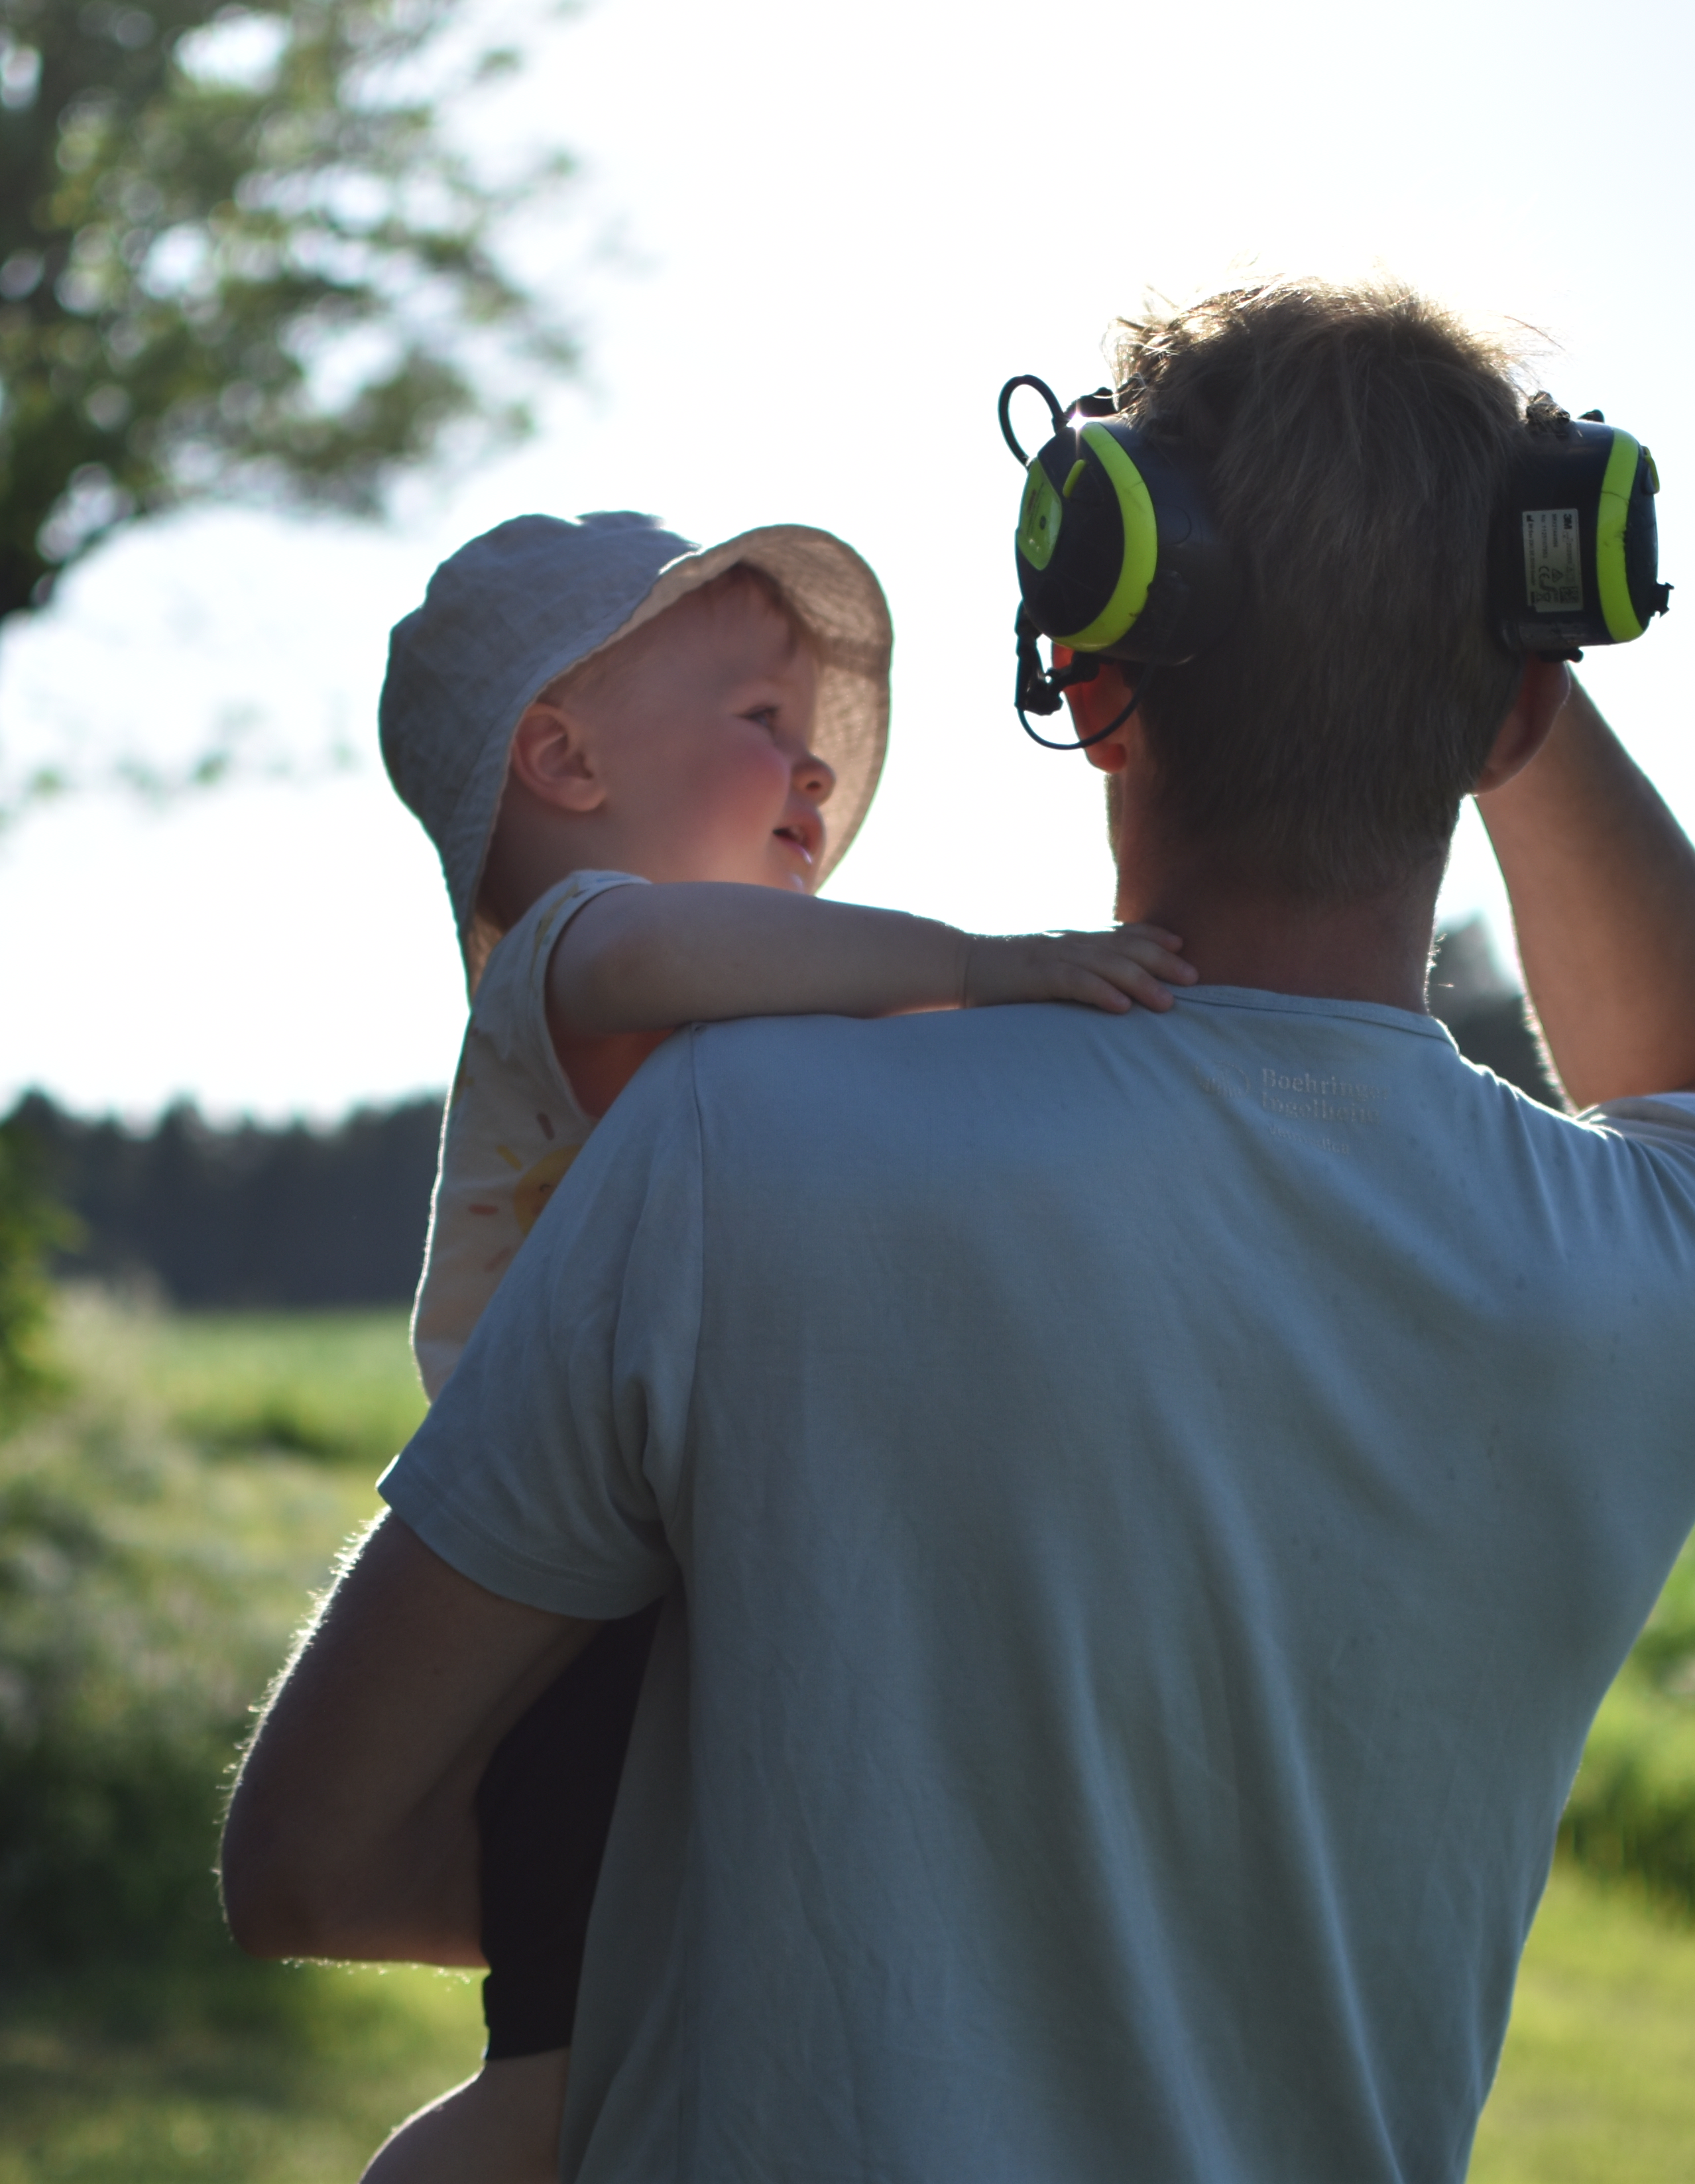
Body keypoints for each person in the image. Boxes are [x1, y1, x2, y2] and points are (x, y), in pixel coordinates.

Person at [224, 279, 1695, 2183]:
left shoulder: (736, 1146)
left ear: (1087, 665)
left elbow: (311, 1858)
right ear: (1524, 680)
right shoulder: (1666, 1265)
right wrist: (1491, 663)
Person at [355, 509, 1193, 2182]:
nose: (812, 779)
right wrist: (991, 970)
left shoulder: (727, 1028)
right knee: (562, 2091)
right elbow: (690, 954)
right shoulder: (573, 960)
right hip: (579, 1633)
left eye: (819, 749)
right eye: (762, 725)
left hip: (663, 1595)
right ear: (562, 757)